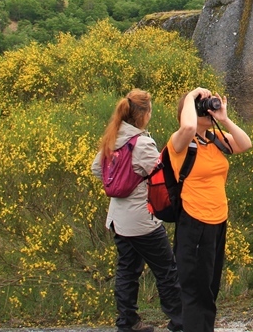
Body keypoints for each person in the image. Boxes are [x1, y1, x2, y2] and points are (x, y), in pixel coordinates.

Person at [91, 89, 184, 332]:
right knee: (166, 269)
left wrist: (120, 181)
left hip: (118, 219)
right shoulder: (141, 143)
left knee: (127, 270)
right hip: (142, 220)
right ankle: (180, 321)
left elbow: (96, 169)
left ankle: (127, 322)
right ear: (143, 114)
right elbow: (163, 174)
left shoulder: (113, 137)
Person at [167, 87, 253, 332]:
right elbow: (187, 128)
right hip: (194, 221)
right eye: (201, 106)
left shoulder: (214, 140)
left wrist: (223, 118)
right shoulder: (180, 142)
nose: (207, 108)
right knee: (194, 290)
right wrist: (192, 95)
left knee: (209, 288)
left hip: (217, 221)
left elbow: (246, 144)